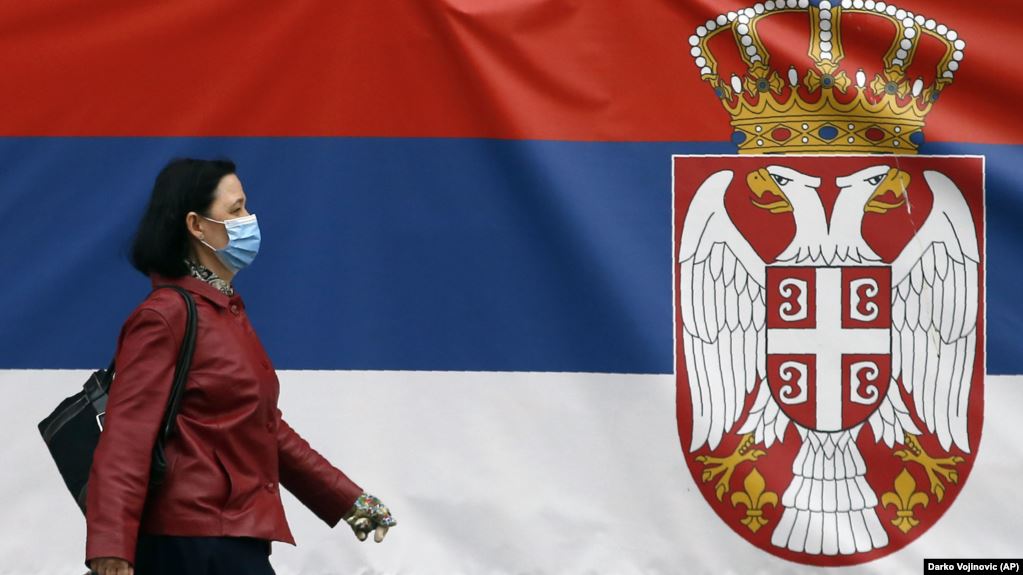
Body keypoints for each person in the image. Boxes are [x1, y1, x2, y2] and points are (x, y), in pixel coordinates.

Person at [86, 158, 395, 575]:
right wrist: (111, 546)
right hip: (188, 545)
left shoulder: (223, 312)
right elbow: (126, 439)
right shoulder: (165, 316)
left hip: (230, 539)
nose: (249, 219)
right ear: (196, 226)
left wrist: (348, 500)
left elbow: (266, 429)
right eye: (236, 210)